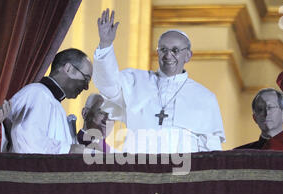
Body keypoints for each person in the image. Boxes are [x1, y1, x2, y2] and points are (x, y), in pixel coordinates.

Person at [93, 9, 225, 154]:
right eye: (163, 49)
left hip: (183, 172)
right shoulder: (135, 81)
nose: (168, 55)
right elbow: (108, 85)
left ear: (187, 55)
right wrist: (105, 44)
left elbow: (212, 150)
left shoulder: (205, 97)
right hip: (138, 169)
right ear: (157, 52)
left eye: (175, 50)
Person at [7, 48, 93, 154]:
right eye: (85, 79)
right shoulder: (36, 93)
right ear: (68, 69)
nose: (86, 87)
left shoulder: (54, 103)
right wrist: (69, 149)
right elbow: (26, 141)